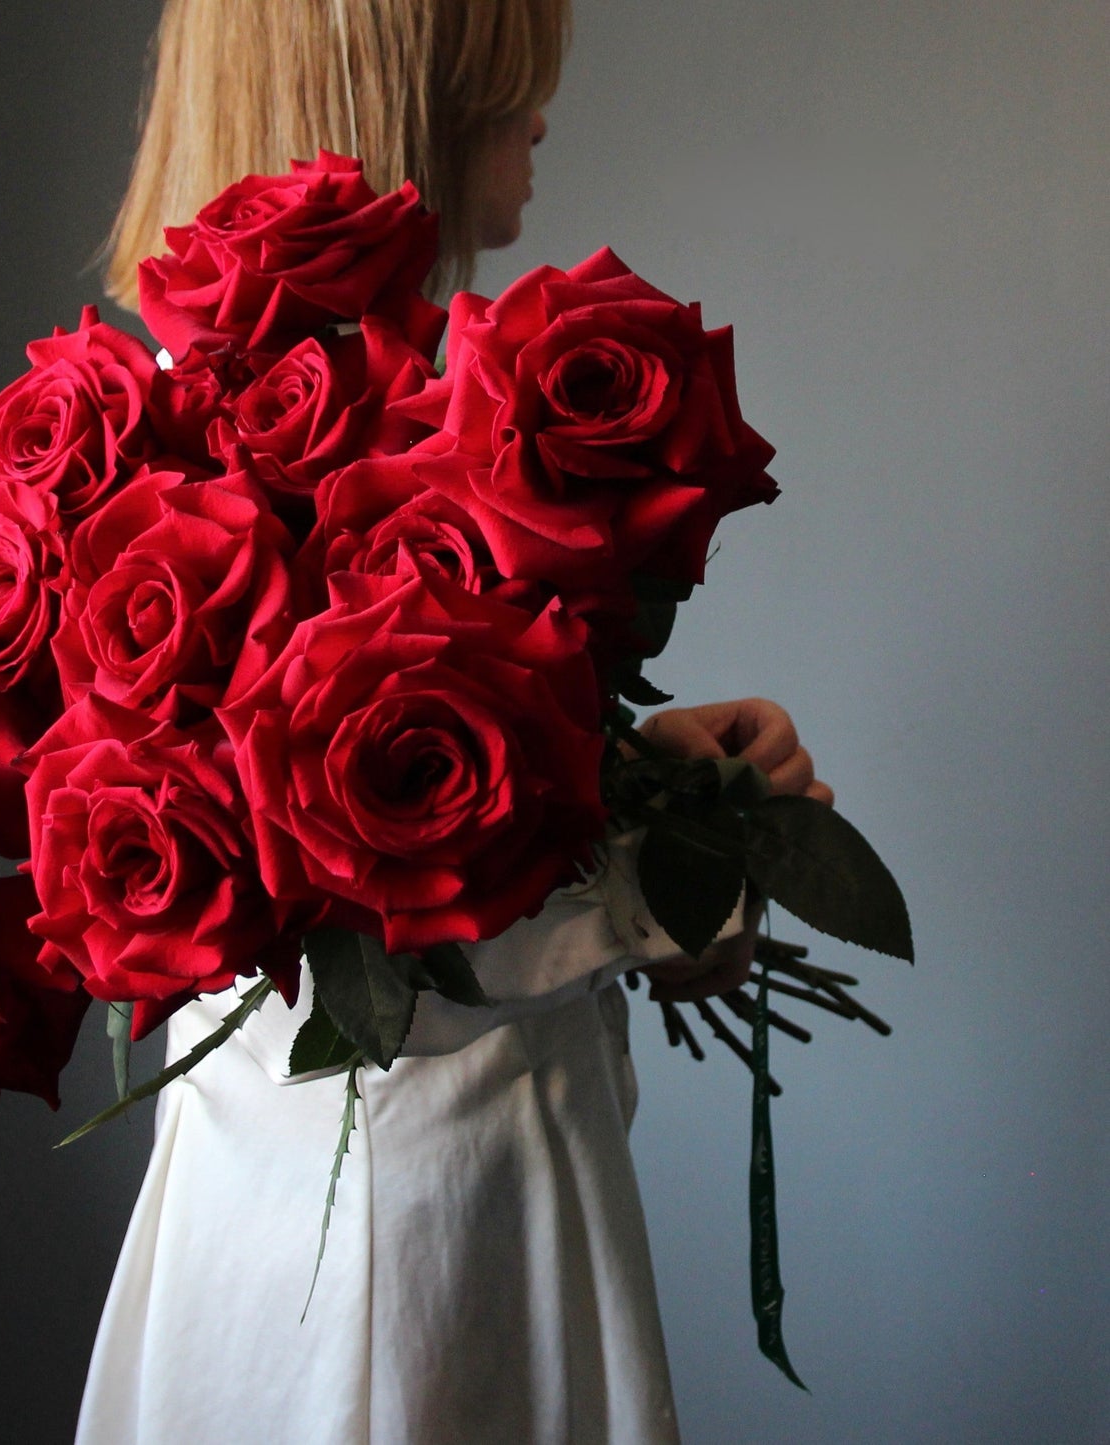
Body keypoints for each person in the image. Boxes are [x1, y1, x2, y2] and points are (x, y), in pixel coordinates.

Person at [77, 3, 830, 1441]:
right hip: (402, 1235)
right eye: (504, 80)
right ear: (400, 93)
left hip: (324, 1210)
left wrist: (650, 795)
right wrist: (668, 875)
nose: (541, 114)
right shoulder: (238, 465)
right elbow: (366, 942)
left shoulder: (202, 440)